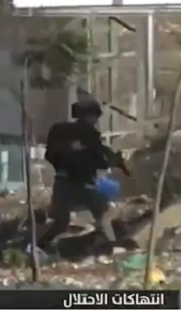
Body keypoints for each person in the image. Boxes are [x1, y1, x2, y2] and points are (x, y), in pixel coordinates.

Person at [37, 99, 121, 254]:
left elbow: (50, 155)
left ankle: (39, 246)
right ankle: (112, 247)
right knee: (102, 213)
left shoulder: (61, 131)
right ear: (88, 116)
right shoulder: (89, 134)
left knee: (61, 222)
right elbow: (99, 161)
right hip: (81, 184)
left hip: (62, 182)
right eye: (95, 116)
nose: (96, 120)